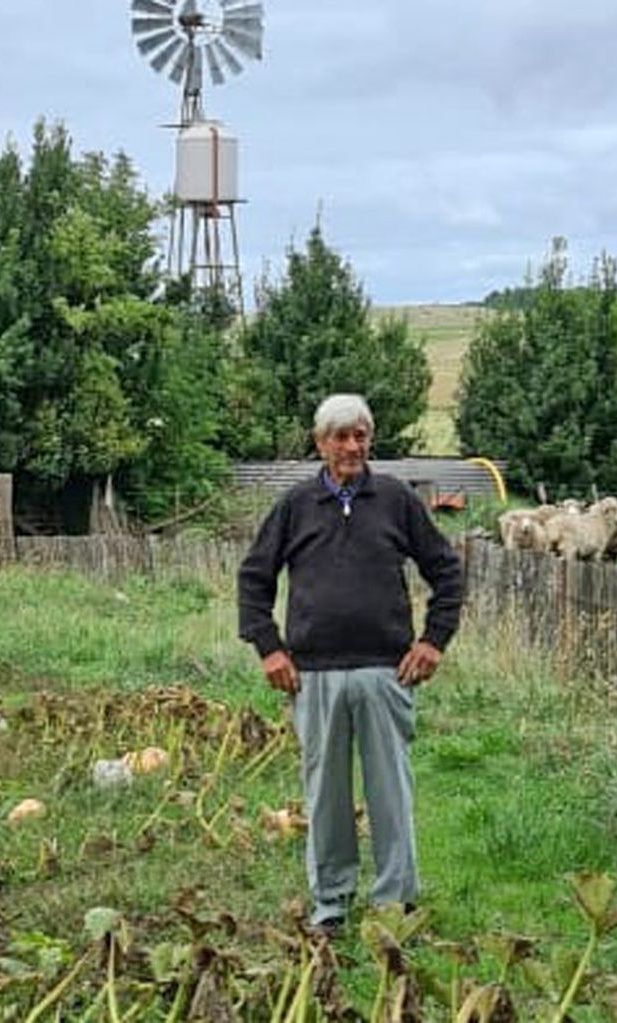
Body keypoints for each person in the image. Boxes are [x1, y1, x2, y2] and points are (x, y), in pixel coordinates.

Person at [237, 393, 464, 933]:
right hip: (312, 675)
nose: (352, 446)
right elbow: (253, 580)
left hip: (386, 671)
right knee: (326, 796)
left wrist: (432, 641)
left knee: (391, 790)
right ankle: (332, 905)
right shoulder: (295, 506)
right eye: (340, 437)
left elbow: (447, 573)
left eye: (360, 435)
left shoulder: (396, 500)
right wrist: (269, 646)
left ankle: (393, 904)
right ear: (320, 443)